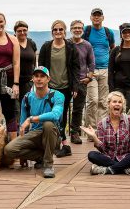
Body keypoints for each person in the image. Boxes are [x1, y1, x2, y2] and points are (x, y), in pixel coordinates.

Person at [4, 66, 65, 179]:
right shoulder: (27, 97)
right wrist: (21, 145)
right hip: (34, 134)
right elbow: (23, 124)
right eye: (36, 76)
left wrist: (31, 118)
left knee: (48, 124)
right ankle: (40, 157)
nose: (39, 79)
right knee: (9, 150)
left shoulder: (57, 95)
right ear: (32, 79)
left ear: (48, 79)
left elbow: (55, 115)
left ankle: (48, 165)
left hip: (52, 134)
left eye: (42, 76)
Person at [81, 91, 130, 175]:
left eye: (120, 102)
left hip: (125, 157)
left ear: (123, 105)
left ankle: (106, 170)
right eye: (114, 101)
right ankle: (126, 169)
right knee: (91, 155)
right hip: (108, 157)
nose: (117, 104)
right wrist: (94, 137)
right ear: (108, 104)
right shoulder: (102, 123)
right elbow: (102, 149)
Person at [38, 20, 80, 157]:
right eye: (55, 30)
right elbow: (42, 68)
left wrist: (75, 86)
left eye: (60, 30)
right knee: (49, 116)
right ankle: (53, 144)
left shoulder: (71, 47)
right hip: (50, 88)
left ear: (64, 31)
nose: (58, 32)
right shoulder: (46, 47)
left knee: (61, 117)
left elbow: (75, 67)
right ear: (52, 32)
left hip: (65, 87)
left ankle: (65, 146)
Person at [83, 8, 115, 130]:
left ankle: (100, 129)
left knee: (103, 101)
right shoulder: (87, 30)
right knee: (93, 100)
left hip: (105, 70)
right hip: (91, 70)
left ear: (103, 17)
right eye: (94, 15)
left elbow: (112, 48)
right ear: (90, 17)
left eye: (99, 15)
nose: (96, 18)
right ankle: (91, 129)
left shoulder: (108, 32)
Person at [69, 20, 95, 144]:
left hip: (81, 81)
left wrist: (89, 77)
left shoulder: (87, 45)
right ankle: (60, 134)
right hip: (67, 80)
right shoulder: (67, 43)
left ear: (83, 30)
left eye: (80, 28)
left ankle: (75, 133)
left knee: (78, 109)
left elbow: (91, 63)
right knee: (62, 108)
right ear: (71, 29)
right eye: (75, 28)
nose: (77, 30)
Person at [14, 20, 37, 114]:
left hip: (28, 82)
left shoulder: (31, 43)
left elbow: (34, 60)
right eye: (19, 31)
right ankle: (16, 128)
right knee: (16, 109)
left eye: (24, 30)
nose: (22, 33)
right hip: (14, 82)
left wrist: (34, 74)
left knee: (27, 107)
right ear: (15, 32)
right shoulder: (12, 43)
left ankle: (27, 128)